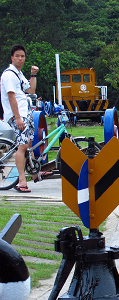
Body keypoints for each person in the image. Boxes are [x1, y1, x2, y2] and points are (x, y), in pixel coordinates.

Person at [1, 44, 51, 193]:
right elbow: (11, 97)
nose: (20, 58)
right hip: (18, 116)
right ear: (12, 57)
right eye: (17, 56)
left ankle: (34, 173)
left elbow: (31, 90)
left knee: (27, 145)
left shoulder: (19, 74)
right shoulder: (9, 74)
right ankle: (22, 182)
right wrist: (17, 118)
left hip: (25, 113)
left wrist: (33, 74)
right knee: (22, 146)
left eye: (22, 56)